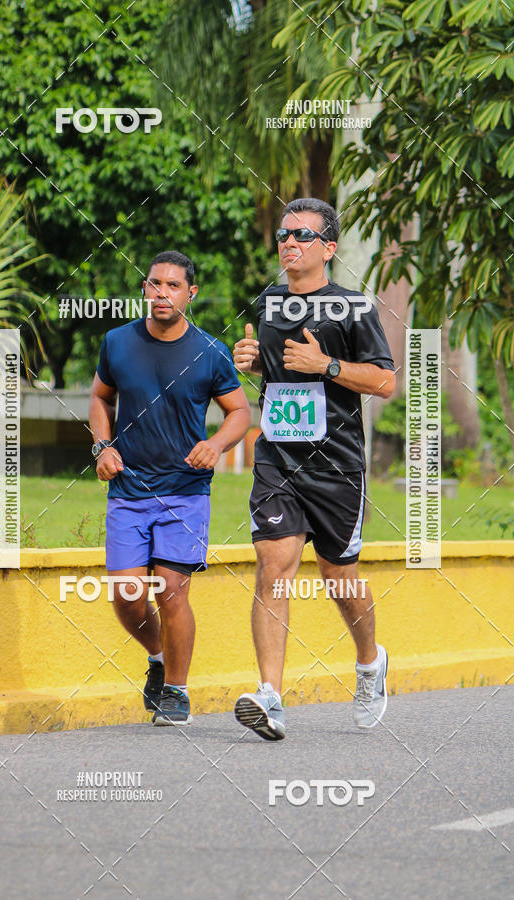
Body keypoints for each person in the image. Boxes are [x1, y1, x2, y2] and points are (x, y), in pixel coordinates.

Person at [232, 198, 396, 740]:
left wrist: (324, 364)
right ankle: (270, 697)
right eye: (283, 234)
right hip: (278, 456)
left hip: (338, 466)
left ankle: (370, 662)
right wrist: (256, 361)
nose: (288, 242)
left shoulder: (354, 308)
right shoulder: (271, 302)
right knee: (274, 564)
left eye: (302, 235)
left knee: (337, 577)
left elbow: (383, 382)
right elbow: (277, 376)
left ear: (328, 248)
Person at [89, 250, 251, 726]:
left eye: (173, 285)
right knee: (126, 594)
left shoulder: (209, 351)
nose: (163, 293)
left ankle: (177, 690)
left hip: (185, 489)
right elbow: (100, 398)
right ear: (145, 289)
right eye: (155, 284)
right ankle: (158, 656)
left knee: (172, 590)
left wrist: (217, 444)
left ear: (190, 293)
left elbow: (239, 412)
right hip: (128, 488)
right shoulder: (117, 342)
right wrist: (102, 446)